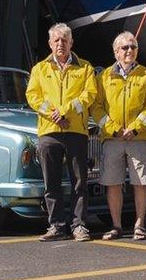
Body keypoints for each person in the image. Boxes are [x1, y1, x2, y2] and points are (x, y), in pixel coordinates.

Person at [25, 23, 98, 242]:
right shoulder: (39, 69)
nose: (60, 44)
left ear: (71, 43)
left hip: (76, 130)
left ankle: (79, 225)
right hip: (49, 132)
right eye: (56, 40)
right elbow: (33, 97)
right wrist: (53, 114)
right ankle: (56, 225)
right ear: (49, 43)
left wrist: (65, 111)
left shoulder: (85, 68)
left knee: (79, 182)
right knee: (52, 182)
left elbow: (90, 95)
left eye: (64, 40)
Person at [91, 31, 146, 241]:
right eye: (125, 48)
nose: (130, 51)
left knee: (141, 182)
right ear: (115, 52)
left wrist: (136, 127)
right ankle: (117, 225)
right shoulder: (103, 77)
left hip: (138, 138)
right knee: (113, 183)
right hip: (113, 139)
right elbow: (96, 106)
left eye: (133, 47)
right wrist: (112, 128)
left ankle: (140, 224)